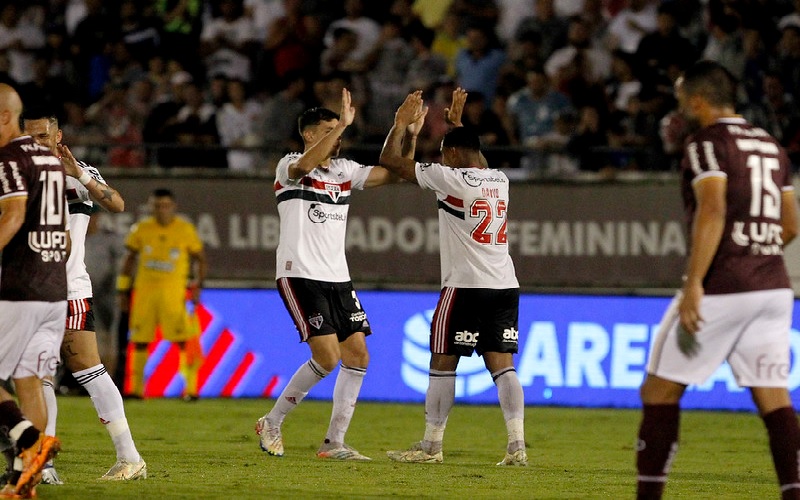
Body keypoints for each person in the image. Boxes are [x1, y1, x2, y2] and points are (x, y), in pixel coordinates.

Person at [635, 61, 800, 499]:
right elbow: (791, 225)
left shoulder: (706, 142)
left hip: (725, 286)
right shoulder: (770, 144)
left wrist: (694, 283)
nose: (679, 108)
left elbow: (713, 208)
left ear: (698, 99)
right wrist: (757, 251)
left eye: (680, 99)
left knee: (658, 390)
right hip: (773, 287)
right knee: (774, 398)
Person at [254, 88, 417, 460]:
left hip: (338, 277)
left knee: (358, 354)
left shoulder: (344, 171)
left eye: (340, 130)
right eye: (330, 130)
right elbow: (303, 167)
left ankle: (334, 444)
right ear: (310, 134)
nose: (339, 136)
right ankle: (272, 421)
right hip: (300, 274)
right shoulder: (289, 165)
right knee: (327, 358)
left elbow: (395, 175)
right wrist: (341, 121)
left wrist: (405, 131)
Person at [379, 89, 528, 466]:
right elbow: (474, 156)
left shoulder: (450, 178)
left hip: (465, 286)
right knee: (503, 365)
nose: (442, 159)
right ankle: (517, 446)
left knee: (442, 362)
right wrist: (459, 128)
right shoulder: (500, 179)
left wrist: (401, 126)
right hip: (504, 285)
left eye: (446, 153)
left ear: (454, 156)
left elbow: (391, 162)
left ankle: (431, 446)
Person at [22, 111, 146, 483]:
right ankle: (44, 464)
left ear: (58, 135)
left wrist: (79, 175)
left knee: (88, 370)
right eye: (30, 137)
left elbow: (117, 204)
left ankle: (130, 457)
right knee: (38, 376)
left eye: (43, 136)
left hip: (68, 288)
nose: (36, 144)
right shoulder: (15, 175)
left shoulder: (79, 173)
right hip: (27, 292)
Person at [0, 83, 63, 498]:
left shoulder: (9, 157)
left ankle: (27, 440)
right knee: (29, 381)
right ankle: (26, 480)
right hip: (54, 286)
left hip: (20, 287)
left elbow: (14, 214)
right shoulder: (49, 158)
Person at [117, 189, 207, 401]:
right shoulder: (141, 229)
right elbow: (129, 260)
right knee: (139, 340)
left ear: (173, 207)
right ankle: (136, 390)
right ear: (151, 208)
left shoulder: (185, 230)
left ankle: (191, 390)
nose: (161, 210)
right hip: (144, 294)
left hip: (174, 295)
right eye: (157, 206)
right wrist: (122, 289)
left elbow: (200, 258)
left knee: (184, 340)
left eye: (165, 206)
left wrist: (198, 285)